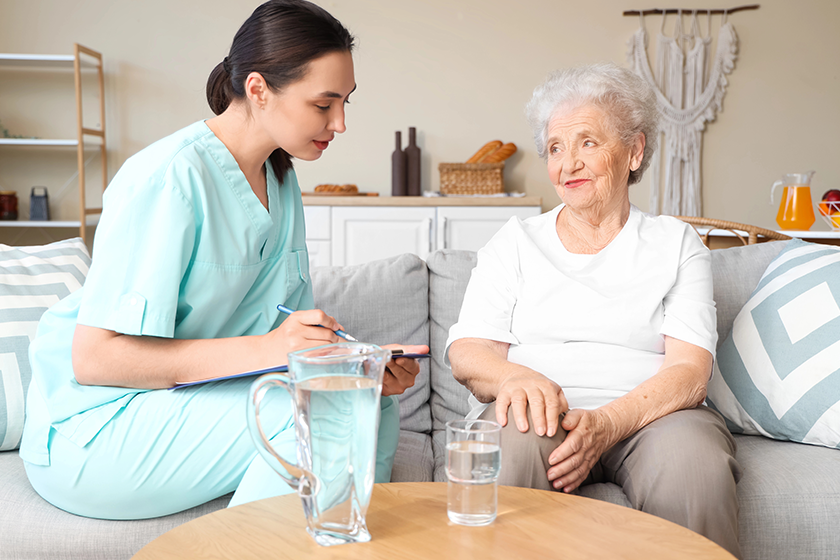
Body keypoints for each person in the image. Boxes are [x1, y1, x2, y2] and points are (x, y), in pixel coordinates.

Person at [20, 0, 427, 520]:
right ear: (258, 90)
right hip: (96, 425)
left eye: (346, 103)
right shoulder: (169, 178)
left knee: (374, 402)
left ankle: (340, 541)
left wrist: (355, 362)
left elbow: (285, 336)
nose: (340, 123)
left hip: (186, 404)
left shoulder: (280, 179)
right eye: (324, 105)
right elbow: (95, 359)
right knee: (326, 407)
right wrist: (269, 350)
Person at [446, 63, 742, 557]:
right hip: (538, 414)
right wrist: (516, 378)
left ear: (634, 150)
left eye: (587, 142)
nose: (568, 164)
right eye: (556, 149)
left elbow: (690, 372)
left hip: (653, 418)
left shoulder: (675, 243)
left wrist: (607, 424)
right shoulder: (516, 242)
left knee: (694, 466)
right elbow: (469, 352)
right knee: (509, 447)